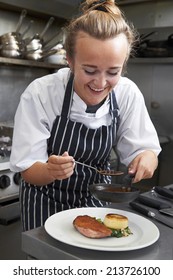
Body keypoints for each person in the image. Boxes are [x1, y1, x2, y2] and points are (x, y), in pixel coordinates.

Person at [10, 0, 161, 231]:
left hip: (97, 201)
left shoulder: (127, 93)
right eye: (89, 71)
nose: (100, 83)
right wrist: (50, 170)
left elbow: (145, 150)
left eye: (113, 72)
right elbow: (28, 168)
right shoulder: (42, 93)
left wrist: (146, 159)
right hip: (44, 202)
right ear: (69, 61)